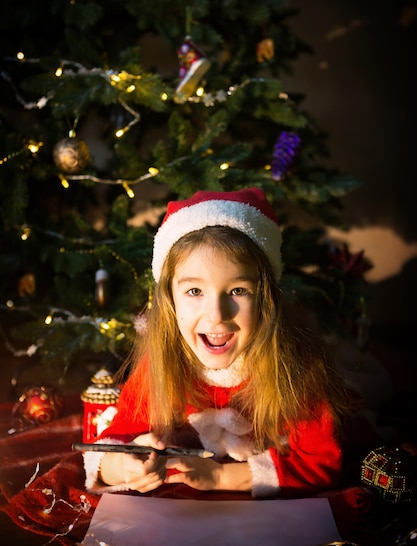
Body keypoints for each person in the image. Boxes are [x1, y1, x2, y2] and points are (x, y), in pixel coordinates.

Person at [83, 187, 349, 498]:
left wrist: (222, 476)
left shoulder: (297, 371)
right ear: (170, 301)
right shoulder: (160, 366)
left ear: (267, 300)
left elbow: (321, 464)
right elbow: (112, 444)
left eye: (238, 291)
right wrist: (122, 467)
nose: (217, 316)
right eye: (194, 292)